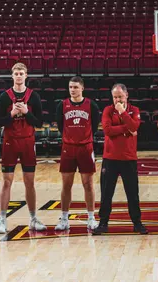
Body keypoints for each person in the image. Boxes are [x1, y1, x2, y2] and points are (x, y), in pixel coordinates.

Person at [0, 62, 46, 233]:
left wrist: (26, 112)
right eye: (16, 73)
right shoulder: (4, 96)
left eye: (21, 73)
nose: (18, 76)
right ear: (12, 76)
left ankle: (33, 218)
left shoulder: (33, 97)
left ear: (26, 75)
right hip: (10, 142)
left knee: (29, 182)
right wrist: (11, 114)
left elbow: (39, 123)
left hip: (27, 142)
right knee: (6, 182)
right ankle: (2, 221)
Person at [93, 83, 148, 235]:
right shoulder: (107, 110)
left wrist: (123, 113)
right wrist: (127, 129)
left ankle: (137, 223)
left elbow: (135, 127)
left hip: (128, 158)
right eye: (115, 97)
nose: (117, 100)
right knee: (106, 193)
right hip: (110, 158)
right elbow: (108, 131)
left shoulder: (134, 110)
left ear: (126, 96)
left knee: (132, 193)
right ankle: (103, 223)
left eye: (120, 97)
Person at [54, 77, 100, 231]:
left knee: (88, 184)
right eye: (70, 87)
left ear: (82, 88)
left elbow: (95, 126)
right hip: (68, 148)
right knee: (66, 185)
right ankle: (64, 218)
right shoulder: (62, 105)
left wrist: (84, 137)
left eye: (75, 87)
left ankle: (91, 218)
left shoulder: (91, 105)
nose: (72, 90)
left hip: (85, 148)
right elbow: (60, 125)